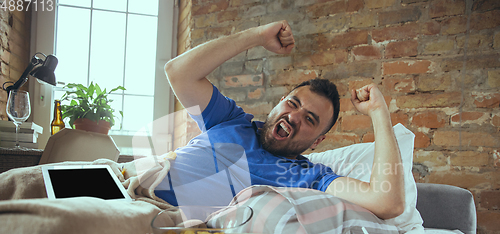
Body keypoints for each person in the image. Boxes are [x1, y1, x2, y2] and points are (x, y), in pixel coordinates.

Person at [157, 20, 405, 220]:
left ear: (318, 141)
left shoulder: (309, 177)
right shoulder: (230, 119)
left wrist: (378, 113)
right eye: (293, 103)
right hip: (134, 182)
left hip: (159, 216)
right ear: (280, 101)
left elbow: (387, 203)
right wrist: (258, 36)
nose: (294, 116)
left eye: (309, 119)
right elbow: (178, 73)